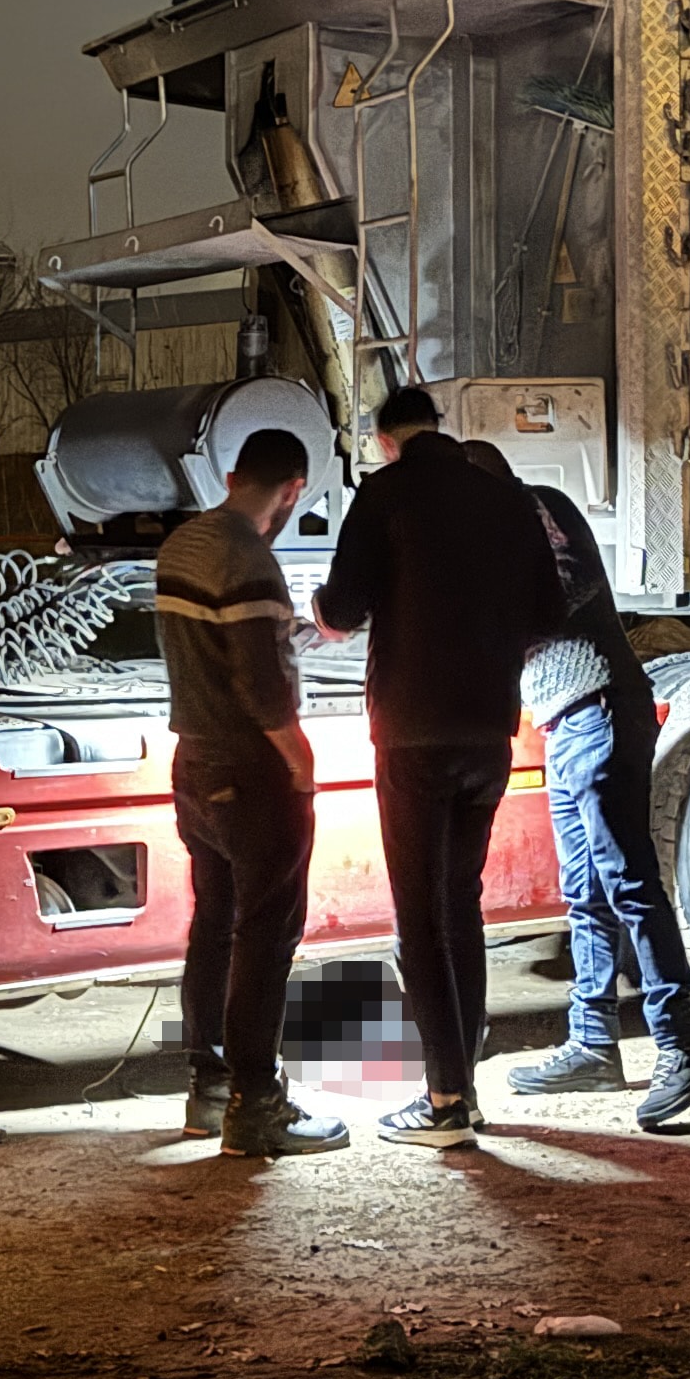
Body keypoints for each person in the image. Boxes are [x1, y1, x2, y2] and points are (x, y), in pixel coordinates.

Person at [312, 383, 563, 1148]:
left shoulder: (386, 493)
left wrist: (319, 611)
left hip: (412, 733)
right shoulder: (506, 499)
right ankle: (464, 1089)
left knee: (419, 913)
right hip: (489, 731)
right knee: (461, 904)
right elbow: (550, 614)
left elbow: (342, 610)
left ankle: (445, 1100)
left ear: (385, 440)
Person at [463, 441, 690, 1132]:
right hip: (568, 721)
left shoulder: (539, 510)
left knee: (628, 880)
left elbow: (561, 594)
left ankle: (683, 1044)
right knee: (585, 890)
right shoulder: (501, 533)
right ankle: (592, 1045)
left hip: (600, 711)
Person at [152, 427, 347, 1159]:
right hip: (252, 771)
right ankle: (256, 1107)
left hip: (195, 761)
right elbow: (262, 690)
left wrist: (288, 633)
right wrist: (299, 760)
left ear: (232, 476)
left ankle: (207, 1091)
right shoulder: (251, 559)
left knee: (215, 923)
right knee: (266, 936)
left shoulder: (184, 545)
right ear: (294, 490)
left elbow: (213, 646)